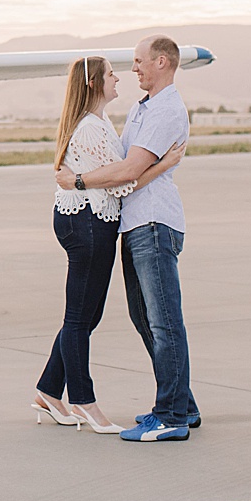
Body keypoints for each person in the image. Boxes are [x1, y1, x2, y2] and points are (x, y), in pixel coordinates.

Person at [57, 34, 198, 442]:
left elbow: (128, 171)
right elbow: (121, 167)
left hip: (154, 223)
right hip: (134, 224)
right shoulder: (143, 107)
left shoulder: (166, 109)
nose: (133, 68)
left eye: (138, 61)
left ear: (161, 62)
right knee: (146, 319)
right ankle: (183, 406)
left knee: (163, 320)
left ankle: (171, 414)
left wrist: (78, 181)